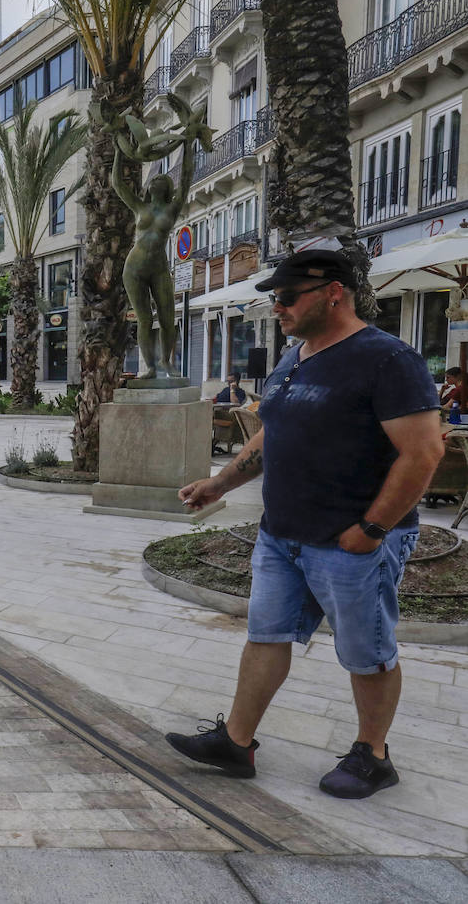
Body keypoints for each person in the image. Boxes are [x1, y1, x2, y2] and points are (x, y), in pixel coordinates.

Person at [171, 250, 442, 799]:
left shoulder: (386, 359)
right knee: (266, 635)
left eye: (287, 296)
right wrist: (219, 484)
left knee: (367, 651)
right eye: (274, 297)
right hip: (281, 534)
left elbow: (423, 453)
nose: (277, 307)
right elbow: (273, 434)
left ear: (332, 292)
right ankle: (237, 742)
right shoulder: (293, 357)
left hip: (350, 540)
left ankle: (374, 754)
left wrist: (370, 530)